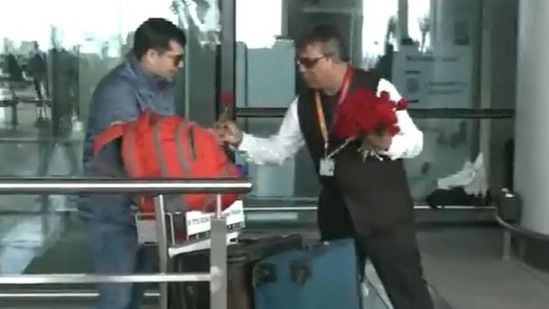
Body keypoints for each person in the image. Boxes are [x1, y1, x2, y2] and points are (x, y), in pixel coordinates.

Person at [216, 24, 434, 309]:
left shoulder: (377, 88)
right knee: (335, 292)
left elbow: (415, 141)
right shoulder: (303, 105)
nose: (301, 69)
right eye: (298, 62)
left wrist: (386, 143)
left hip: (385, 213)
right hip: (336, 213)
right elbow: (279, 150)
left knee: (408, 293)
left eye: (308, 62)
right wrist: (241, 140)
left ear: (331, 59)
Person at [79, 18, 186, 309]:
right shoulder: (118, 91)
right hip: (114, 211)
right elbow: (133, 150)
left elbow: (165, 136)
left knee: (137, 296)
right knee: (117, 297)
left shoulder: (162, 86)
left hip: (148, 206)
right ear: (151, 55)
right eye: (176, 58)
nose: (180, 65)